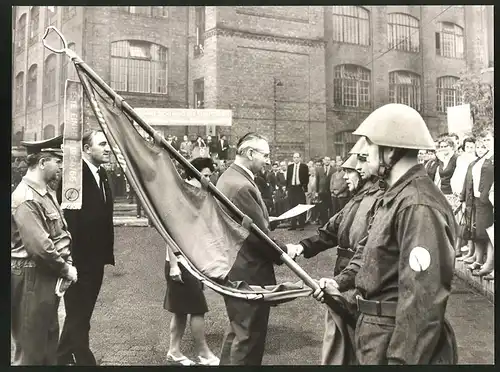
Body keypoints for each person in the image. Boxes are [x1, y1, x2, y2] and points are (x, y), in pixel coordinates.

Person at [313, 103, 458, 365]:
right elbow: (369, 256)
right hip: (375, 335)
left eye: (369, 145)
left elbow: (422, 300)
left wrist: (402, 361)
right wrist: (340, 285)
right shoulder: (394, 197)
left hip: (393, 342)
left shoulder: (417, 205)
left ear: (390, 149)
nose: (363, 154)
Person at [287, 138, 383, 364]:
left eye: (350, 172)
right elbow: (330, 230)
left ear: (364, 172)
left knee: (357, 343)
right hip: (345, 277)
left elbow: (368, 250)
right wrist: (301, 247)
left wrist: (339, 283)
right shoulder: (356, 199)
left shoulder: (379, 199)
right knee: (342, 342)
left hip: (358, 281)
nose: (345, 177)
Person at [216, 132, 300, 365]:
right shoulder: (242, 186)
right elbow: (257, 236)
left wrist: (264, 219)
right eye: (265, 154)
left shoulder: (230, 178)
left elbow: (247, 223)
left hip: (235, 266)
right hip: (247, 270)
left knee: (237, 332)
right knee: (249, 338)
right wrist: (286, 250)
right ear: (250, 153)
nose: (268, 160)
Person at [11, 135, 78, 365]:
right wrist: (65, 269)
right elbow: (40, 248)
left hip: (44, 277)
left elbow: (58, 234)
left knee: (48, 347)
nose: (61, 166)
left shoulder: (44, 192)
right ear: (41, 163)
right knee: (31, 351)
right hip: (32, 277)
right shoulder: (27, 198)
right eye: (57, 161)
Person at [56, 130, 115, 366]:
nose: (107, 148)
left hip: (96, 259)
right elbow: (69, 222)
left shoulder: (101, 174)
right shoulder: (74, 178)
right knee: (79, 313)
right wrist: (70, 260)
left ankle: (62, 356)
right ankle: (82, 359)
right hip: (80, 260)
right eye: (102, 144)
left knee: (82, 313)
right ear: (87, 149)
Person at [164, 157, 220, 366]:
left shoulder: (199, 196)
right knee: (197, 308)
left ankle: (174, 350)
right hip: (180, 262)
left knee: (180, 310)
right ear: (192, 174)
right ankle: (204, 353)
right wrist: (173, 265)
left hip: (193, 261)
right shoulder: (183, 196)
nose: (208, 179)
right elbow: (169, 231)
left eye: (209, 175)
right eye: (204, 175)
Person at [467, 127, 494, 277]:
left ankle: (489, 264)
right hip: (478, 198)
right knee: (480, 232)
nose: (486, 143)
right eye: (483, 141)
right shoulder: (484, 157)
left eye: (488, 140)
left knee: (489, 233)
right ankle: (481, 261)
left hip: (489, 200)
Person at [450, 137, 477, 257]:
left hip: (467, 194)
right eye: (467, 147)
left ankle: (467, 250)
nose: (469, 149)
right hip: (457, 193)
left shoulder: (476, 160)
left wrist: (464, 194)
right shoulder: (460, 159)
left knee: (467, 222)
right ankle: (457, 247)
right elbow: (457, 175)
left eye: (472, 147)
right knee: (458, 221)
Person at [286, 152, 309, 230]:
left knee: (300, 206)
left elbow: (306, 179)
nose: (295, 159)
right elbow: (288, 179)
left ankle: (301, 224)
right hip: (292, 189)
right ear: (293, 158)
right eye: (294, 157)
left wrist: (305, 189)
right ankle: (293, 225)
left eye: (297, 157)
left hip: (300, 188)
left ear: (300, 158)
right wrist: (287, 189)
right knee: (292, 206)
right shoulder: (290, 167)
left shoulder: (304, 167)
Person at [316, 156, 334, 225]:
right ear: (323, 161)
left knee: (331, 207)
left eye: (328, 160)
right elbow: (317, 181)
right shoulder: (319, 170)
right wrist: (317, 191)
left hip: (330, 192)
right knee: (322, 208)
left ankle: (330, 224)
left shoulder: (333, 170)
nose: (327, 161)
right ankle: (323, 223)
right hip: (322, 192)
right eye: (326, 160)